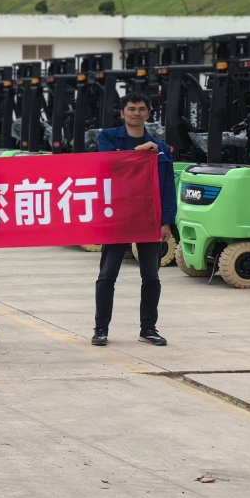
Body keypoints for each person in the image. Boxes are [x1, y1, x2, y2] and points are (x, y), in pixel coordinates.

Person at [92, 92, 177, 347]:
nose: (136, 113)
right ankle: (101, 328)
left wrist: (166, 221)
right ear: (122, 113)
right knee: (107, 275)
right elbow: (109, 163)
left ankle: (148, 328)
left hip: (148, 218)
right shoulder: (108, 138)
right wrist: (138, 151)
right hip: (117, 217)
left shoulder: (161, 149)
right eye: (131, 108)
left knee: (151, 277)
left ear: (148, 114)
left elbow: (167, 187)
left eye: (141, 109)